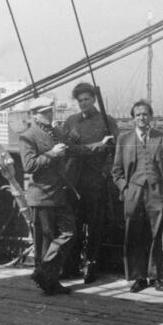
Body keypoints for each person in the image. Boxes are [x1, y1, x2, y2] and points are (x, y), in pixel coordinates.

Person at [112, 99, 163, 292]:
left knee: (156, 233)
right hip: (134, 192)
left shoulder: (161, 137)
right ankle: (139, 276)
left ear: (151, 117)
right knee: (135, 234)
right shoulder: (124, 139)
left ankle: (156, 276)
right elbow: (116, 170)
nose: (141, 118)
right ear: (133, 118)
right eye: (138, 114)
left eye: (145, 114)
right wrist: (125, 189)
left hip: (156, 191)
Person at [62, 82, 118, 284]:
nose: (84, 103)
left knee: (95, 226)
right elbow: (65, 149)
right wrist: (72, 140)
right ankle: (71, 264)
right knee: (74, 224)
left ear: (94, 99)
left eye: (87, 99)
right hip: (75, 180)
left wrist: (105, 174)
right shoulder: (71, 122)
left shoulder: (107, 121)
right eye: (80, 100)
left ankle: (91, 265)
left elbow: (115, 150)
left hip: (96, 180)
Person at [19, 96, 75, 295]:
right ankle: (50, 282)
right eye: (44, 112)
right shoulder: (28, 136)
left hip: (59, 193)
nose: (48, 115)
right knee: (45, 241)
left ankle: (44, 272)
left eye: (50, 111)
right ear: (34, 115)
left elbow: (71, 149)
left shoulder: (57, 132)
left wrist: (96, 143)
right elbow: (28, 165)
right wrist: (52, 153)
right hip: (41, 195)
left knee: (68, 232)